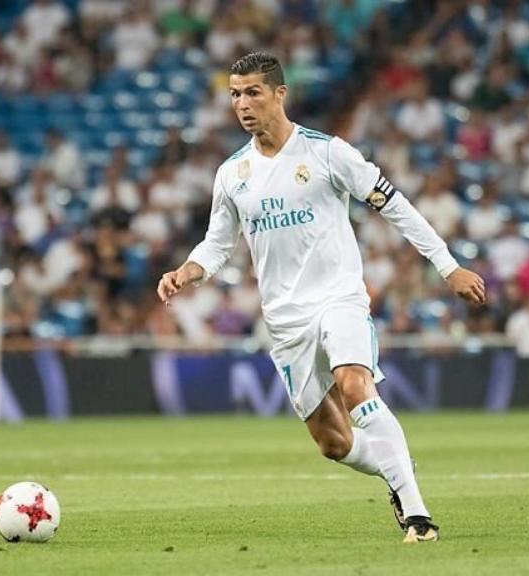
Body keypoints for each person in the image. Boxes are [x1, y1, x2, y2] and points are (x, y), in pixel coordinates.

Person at [156, 53, 486, 543]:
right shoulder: (232, 173)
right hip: (285, 322)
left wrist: (448, 265)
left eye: (253, 93)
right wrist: (189, 270)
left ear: (279, 94)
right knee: (333, 444)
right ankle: (397, 467)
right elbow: (220, 243)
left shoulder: (328, 153)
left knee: (355, 385)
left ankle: (417, 514)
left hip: (339, 298)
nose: (242, 104)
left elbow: (394, 205)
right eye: (234, 94)